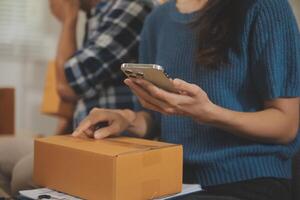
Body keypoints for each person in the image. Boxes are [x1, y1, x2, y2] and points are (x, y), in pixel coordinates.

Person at [73, 0, 300, 199]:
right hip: (173, 180)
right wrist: (126, 119)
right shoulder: (157, 20)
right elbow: (156, 118)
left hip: (249, 181)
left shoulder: (266, 6)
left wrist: (210, 114)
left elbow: (286, 125)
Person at [0, 0, 152, 196]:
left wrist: (68, 20)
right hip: (81, 138)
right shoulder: (98, 13)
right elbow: (80, 96)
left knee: (23, 174)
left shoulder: (130, 6)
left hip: (112, 144)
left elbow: (67, 87)